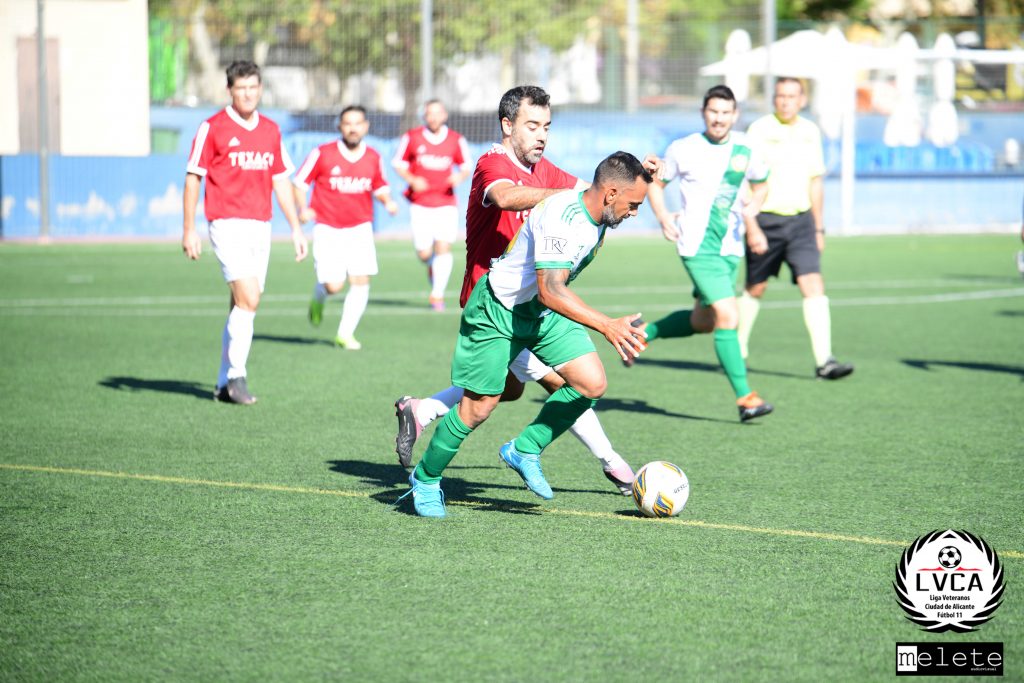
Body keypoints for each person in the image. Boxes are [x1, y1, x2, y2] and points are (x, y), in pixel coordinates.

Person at [393, 85, 638, 496]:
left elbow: (599, 192)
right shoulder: (492, 162)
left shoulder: (546, 169)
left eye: (547, 127)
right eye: (532, 126)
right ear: (508, 126)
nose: (541, 135)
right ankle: (612, 463)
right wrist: (563, 198)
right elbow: (506, 197)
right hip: (493, 302)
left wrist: (639, 177)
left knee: (508, 389)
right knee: (557, 384)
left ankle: (422, 409)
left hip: (532, 305)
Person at [641, 85, 774, 422]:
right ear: (704, 112)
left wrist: (754, 207)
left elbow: (761, 184)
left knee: (704, 322)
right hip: (697, 247)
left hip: (730, 247)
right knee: (729, 316)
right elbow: (655, 182)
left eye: (726, 113)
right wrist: (662, 216)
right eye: (713, 111)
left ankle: (644, 334)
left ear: (735, 115)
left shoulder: (746, 147)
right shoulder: (684, 148)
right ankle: (746, 398)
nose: (719, 118)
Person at [182, 60, 308, 405]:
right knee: (249, 298)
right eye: (241, 88)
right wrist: (189, 229)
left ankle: (223, 383)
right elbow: (193, 178)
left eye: (253, 87)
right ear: (229, 91)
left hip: (260, 225)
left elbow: (280, 180)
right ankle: (237, 376)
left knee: (242, 303)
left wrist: (296, 228)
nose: (248, 94)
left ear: (260, 89)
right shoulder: (213, 127)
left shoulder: (270, 130)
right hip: (226, 222)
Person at [738, 77, 854, 380]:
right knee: (756, 288)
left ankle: (825, 361)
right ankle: (737, 351)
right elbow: (744, 181)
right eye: (781, 96)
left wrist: (818, 228)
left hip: (802, 222)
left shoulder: (810, 131)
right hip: (766, 221)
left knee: (813, 284)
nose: (786, 101)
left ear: (802, 100)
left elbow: (815, 181)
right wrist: (752, 225)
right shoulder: (758, 130)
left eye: (792, 96)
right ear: (773, 99)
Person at [294, 105, 398, 350]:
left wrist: (387, 201)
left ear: (365, 126)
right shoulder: (322, 153)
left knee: (361, 280)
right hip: (327, 228)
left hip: (360, 227)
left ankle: (345, 334)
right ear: (340, 126)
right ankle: (319, 295)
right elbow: (299, 184)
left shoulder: (373, 156)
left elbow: (380, 186)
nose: (353, 128)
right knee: (334, 285)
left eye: (357, 123)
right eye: (348, 124)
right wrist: (303, 208)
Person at [392, 99, 473, 310]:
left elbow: (466, 166)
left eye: (438, 113)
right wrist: (412, 180)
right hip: (420, 204)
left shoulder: (456, 139)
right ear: (424, 116)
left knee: (443, 247)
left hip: (446, 203)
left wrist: (458, 177)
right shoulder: (412, 137)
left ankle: (437, 295)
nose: (434, 117)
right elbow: (398, 163)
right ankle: (431, 265)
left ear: (445, 115)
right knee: (424, 253)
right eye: (430, 113)